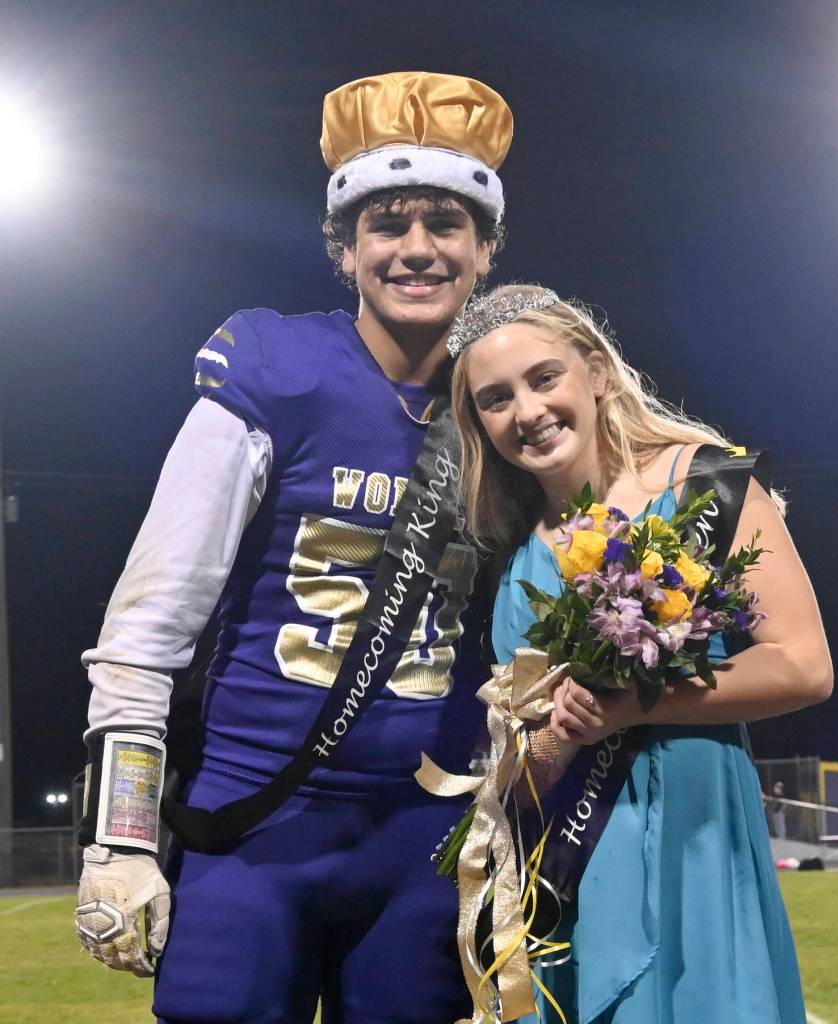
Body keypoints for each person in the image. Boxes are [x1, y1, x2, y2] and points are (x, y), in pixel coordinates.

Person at [74, 72, 513, 1024]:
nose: (416, 248)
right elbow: (153, 614)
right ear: (345, 251)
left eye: (445, 223)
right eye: (385, 225)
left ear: (485, 249)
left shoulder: (507, 404)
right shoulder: (275, 368)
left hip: (424, 837)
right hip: (254, 823)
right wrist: (119, 837)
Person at [448, 284, 833, 1023]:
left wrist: (631, 706)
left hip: (695, 834)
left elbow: (802, 664)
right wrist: (547, 740)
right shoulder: (511, 561)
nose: (526, 412)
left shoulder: (707, 486)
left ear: (594, 371)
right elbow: (523, 770)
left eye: (543, 377)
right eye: (494, 399)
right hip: (573, 871)